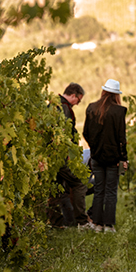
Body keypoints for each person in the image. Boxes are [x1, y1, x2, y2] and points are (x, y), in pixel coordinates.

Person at [82, 78, 129, 232]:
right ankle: (108, 226)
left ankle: (97, 224)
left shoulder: (91, 108)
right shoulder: (119, 111)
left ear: (103, 91)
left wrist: (95, 147)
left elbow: (85, 133)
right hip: (113, 159)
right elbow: (122, 138)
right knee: (110, 192)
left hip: (96, 156)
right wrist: (123, 158)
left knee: (99, 190)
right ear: (116, 95)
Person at [53, 83, 90, 228]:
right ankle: (81, 221)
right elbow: (65, 134)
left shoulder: (53, 104)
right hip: (61, 157)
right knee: (79, 183)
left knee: (56, 188)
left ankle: (58, 223)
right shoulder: (64, 108)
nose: (78, 104)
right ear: (73, 95)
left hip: (52, 157)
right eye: (78, 100)